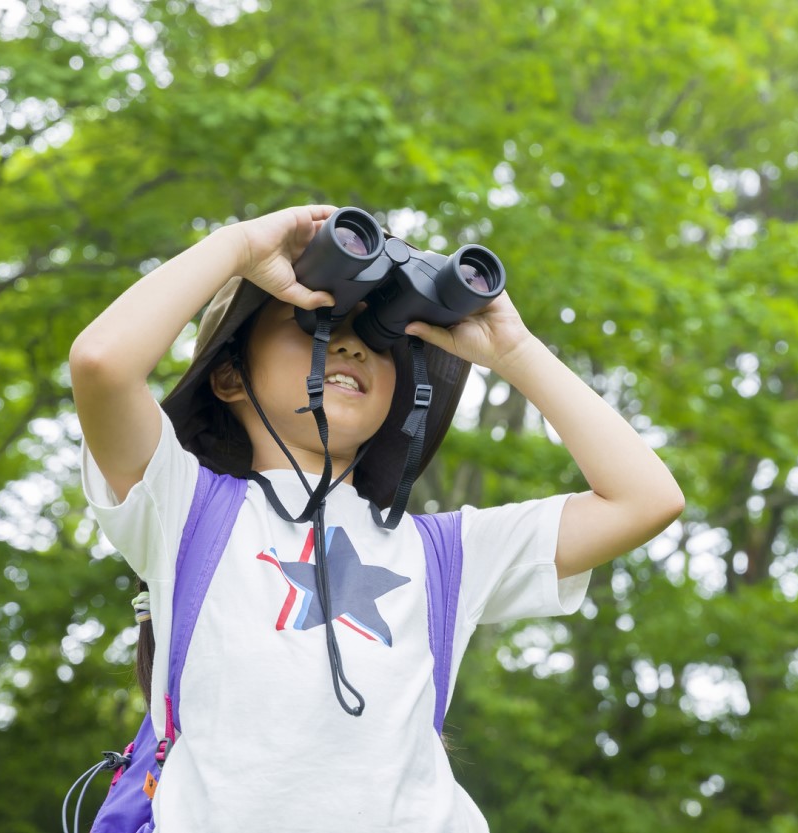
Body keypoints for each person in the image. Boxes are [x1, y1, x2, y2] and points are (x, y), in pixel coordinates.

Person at [69, 204, 685, 831]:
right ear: (228, 376)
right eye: (312, 319)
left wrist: (515, 350)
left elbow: (645, 499)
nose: (350, 345)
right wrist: (243, 246)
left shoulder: (443, 552)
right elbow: (101, 364)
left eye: (381, 339)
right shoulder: (184, 509)